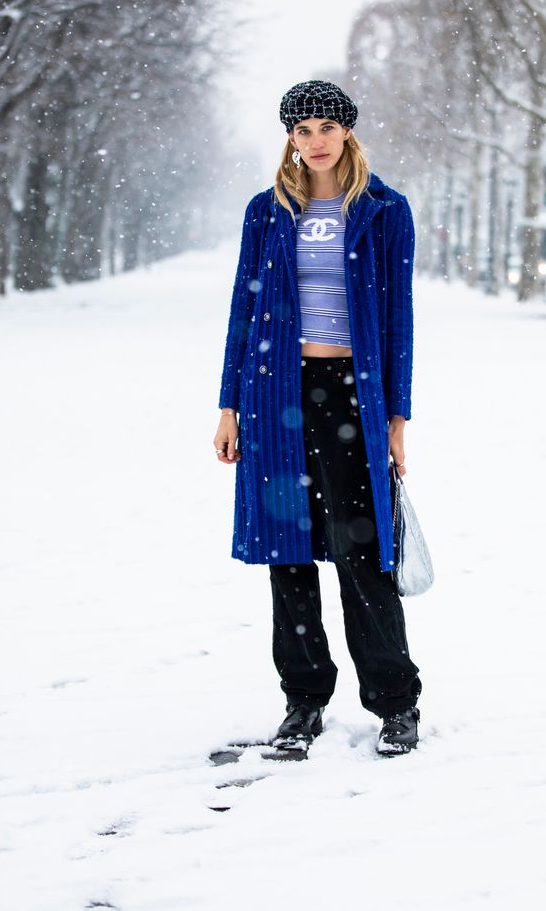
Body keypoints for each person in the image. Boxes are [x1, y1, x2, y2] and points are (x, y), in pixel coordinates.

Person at [213, 81, 422, 756]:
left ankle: (395, 702)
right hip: (274, 396)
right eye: (302, 130)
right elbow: (243, 314)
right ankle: (303, 702)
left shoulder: (384, 212)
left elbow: (397, 320)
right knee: (289, 554)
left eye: (327, 126)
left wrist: (396, 414)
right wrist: (228, 407)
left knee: (364, 554)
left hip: (349, 397)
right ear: (290, 139)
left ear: (348, 132)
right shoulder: (267, 212)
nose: (315, 140)